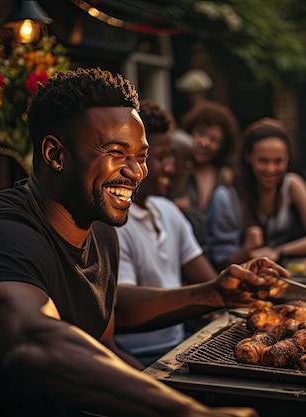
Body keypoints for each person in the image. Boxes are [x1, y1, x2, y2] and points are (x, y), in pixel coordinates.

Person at [0, 67, 289, 416]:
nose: (136, 171)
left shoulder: (101, 230)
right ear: (54, 154)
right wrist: (187, 412)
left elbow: (109, 312)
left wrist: (213, 294)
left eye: (140, 156)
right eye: (115, 153)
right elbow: (31, 338)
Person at [114, 99, 220, 367]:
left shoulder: (167, 210)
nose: (171, 167)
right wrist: (213, 295)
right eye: (159, 158)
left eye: (169, 156)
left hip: (182, 343)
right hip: (139, 356)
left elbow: (209, 280)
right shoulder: (114, 223)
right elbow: (123, 309)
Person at [206, 118, 306, 271]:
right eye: (263, 161)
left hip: (279, 275)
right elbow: (219, 264)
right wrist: (247, 250)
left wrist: (278, 252)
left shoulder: (292, 185)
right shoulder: (226, 198)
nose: (271, 169)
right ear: (248, 157)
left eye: (278, 161)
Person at [174, 100, 240, 250]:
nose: (204, 143)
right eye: (200, 134)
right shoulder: (174, 169)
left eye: (214, 140)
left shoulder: (225, 176)